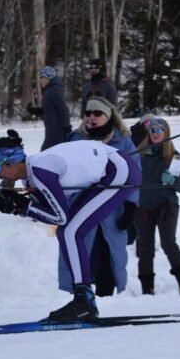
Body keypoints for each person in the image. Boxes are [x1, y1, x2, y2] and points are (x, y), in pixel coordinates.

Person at [0, 129, 140, 322]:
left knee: (71, 232)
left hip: (118, 171)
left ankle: (84, 301)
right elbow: (48, 211)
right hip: (110, 168)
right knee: (68, 232)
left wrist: (22, 206)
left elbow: (59, 216)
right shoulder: (30, 175)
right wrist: (17, 205)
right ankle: (84, 299)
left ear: (11, 162)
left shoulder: (41, 171)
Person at [67, 96, 140, 297]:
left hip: (113, 208)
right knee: (86, 251)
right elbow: (66, 171)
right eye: (88, 113)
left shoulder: (123, 141)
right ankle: (82, 296)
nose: (92, 117)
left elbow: (135, 173)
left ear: (108, 116)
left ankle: (106, 296)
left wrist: (131, 205)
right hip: (83, 205)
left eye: (97, 113)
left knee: (110, 252)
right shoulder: (76, 139)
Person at [133, 118, 180, 295]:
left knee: (168, 243)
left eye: (160, 129)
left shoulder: (175, 157)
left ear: (166, 132)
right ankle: (147, 290)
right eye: (153, 130)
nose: (156, 133)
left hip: (167, 207)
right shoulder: (139, 154)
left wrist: (173, 181)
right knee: (145, 248)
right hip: (142, 208)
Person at [26, 66, 72, 150]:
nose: (39, 80)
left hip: (58, 130)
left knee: (46, 152)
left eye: (41, 77)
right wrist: (36, 111)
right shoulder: (49, 90)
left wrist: (66, 127)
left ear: (48, 78)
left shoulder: (55, 90)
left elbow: (64, 109)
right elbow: (50, 110)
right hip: (51, 129)